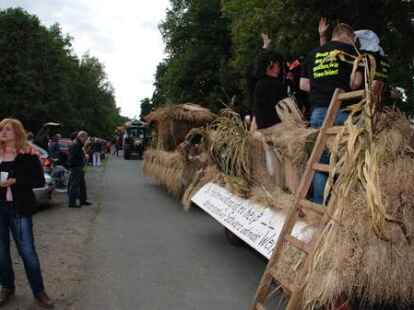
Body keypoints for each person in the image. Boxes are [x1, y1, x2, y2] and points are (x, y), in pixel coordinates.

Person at [300, 23, 363, 204]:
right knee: (349, 162)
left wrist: (322, 84)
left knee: (322, 165)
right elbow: (355, 83)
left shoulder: (313, 54)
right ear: (348, 36)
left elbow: (303, 85)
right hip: (344, 113)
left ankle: (320, 206)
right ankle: (344, 207)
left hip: (319, 113)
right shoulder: (351, 53)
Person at [0, 118, 54, 308]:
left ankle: (39, 291)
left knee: (27, 252)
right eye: (1, 129)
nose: (3, 132)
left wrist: (15, 181)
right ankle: (6, 287)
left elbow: (39, 180)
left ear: (17, 133)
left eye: (8, 129)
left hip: (19, 208)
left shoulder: (28, 154)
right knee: (1, 253)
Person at [251, 34, 286, 130]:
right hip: (274, 127)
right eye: (277, 65)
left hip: (265, 128)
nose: (279, 68)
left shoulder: (259, 83)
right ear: (270, 66)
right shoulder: (272, 84)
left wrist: (265, 47)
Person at [67, 131, 92, 208]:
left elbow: (79, 154)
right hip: (76, 167)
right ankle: (72, 203)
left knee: (81, 185)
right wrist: (84, 157)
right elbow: (73, 157)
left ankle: (83, 200)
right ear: (81, 137)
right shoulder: (75, 144)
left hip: (78, 166)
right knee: (74, 185)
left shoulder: (77, 143)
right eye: (85, 138)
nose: (86, 140)